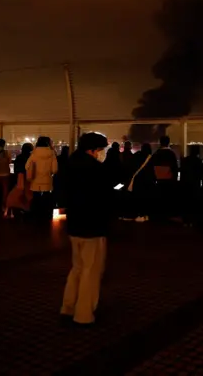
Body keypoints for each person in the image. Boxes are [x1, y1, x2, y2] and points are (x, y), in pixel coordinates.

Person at [60, 132, 115, 326]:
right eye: (101, 150)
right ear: (92, 150)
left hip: (74, 224)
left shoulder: (69, 165)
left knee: (77, 267)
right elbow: (105, 197)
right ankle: (84, 314)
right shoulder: (95, 170)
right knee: (91, 270)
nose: (102, 153)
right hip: (93, 225)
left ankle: (68, 305)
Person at [25, 136, 58, 222]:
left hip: (35, 180)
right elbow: (55, 170)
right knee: (46, 198)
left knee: (36, 198)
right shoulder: (52, 154)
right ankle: (46, 216)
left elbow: (27, 166)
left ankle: (36, 216)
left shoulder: (34, 153)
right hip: (47, 180)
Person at [151, 135, 179, 220]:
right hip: (169, 180)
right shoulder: (171, 154)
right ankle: (167, 215)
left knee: (159, 198)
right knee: (168, 199)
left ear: (160, 142)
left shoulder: (156, 153)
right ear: (168, 142)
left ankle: (159, 215)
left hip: (158, 180)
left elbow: (152, 167)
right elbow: (175, 168)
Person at [129, 143, 155, 222]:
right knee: (145, 199)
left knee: (137, 198)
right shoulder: (150, 157)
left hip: (137, 180)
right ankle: (144, 215)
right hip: (147, 181)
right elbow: (152, 171)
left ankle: (137, 214)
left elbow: (132, 166)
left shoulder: (136, 155)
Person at [180, 145, 203, 227]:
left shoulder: (185, 161)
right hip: (195, 185)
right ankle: (193, 221)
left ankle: (186, 221)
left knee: (186, 203)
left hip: (186, 185)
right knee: (194, 204)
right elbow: (201, 175)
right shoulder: (199, 161)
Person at [0, 139, 12, 213]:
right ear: (4, 145)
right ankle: (4, 205)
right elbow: (9, 162)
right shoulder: (7, 153)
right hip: (5, 174)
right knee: (5, 190)